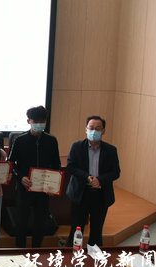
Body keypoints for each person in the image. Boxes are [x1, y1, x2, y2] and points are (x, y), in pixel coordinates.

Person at [9, 105, 61, 248]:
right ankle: (20, 252)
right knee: (22, 223)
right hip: (24, 188)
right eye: (35, 121)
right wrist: (21, 177)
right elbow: (11, 164)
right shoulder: (20, 140)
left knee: (40, 223)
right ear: (29, 121)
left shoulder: (51, 140)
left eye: (42, 121)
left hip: (43, 189)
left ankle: (36, 252)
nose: (39, 124)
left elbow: (56, 164)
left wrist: (53, 184)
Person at [66, 116, 120, 247]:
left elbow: (115, 172)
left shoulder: (111, 150)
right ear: (86, 129)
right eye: (91, 128)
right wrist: (87, 177)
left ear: (103, 131)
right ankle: (73, 254)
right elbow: (71, 167)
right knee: (76, 229)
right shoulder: (77, 146)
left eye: (98, 128)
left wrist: (99, 180)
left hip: (101, 194)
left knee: (97, 229)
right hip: (80, 193)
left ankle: (94, 256)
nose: (94, 131)